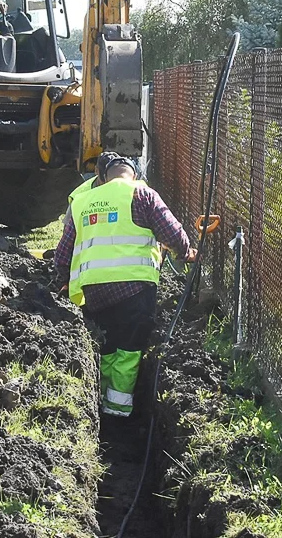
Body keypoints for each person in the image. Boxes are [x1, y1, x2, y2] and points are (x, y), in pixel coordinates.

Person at [54, 154, 197, 417]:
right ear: (135, 175)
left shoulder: (83, 200)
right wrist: (184, 252)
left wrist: (64, 280)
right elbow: (173, 234)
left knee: (107, 345)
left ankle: (100, 402)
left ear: (103, 177)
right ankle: (117, 412)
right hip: (135, 289)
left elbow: (63, 253)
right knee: (129, 349)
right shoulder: (142, 195)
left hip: (94, 291)